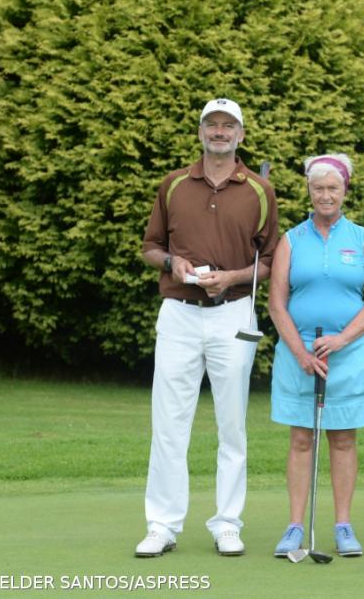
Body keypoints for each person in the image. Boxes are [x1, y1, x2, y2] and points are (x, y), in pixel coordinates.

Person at [135, 98, 279, 557]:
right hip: (179, 312)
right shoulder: (174, 184)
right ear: (201, 131)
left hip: (233, 313)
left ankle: (227, 522)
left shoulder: (259, 190)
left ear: (240, 134)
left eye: (228, 126)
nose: (219, 132)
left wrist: (233, 278)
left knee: (231, 423)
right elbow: (151, 247)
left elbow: (271, 260)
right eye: (212, 124)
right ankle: (162, 524)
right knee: (169, 423)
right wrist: (173, 262)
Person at [268, 153, 364, 558]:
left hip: (349, 354)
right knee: (301, 439)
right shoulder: (291, 239)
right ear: (309, 191)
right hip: (298, 353)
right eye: (318, 188)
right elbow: (276, 304)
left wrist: (341, 340)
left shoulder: (361, 238)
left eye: (332, 188)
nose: (325, 195)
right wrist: (301, 352)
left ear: (344, 191)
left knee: (342, 440)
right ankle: (294, 526)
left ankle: (343, 525)